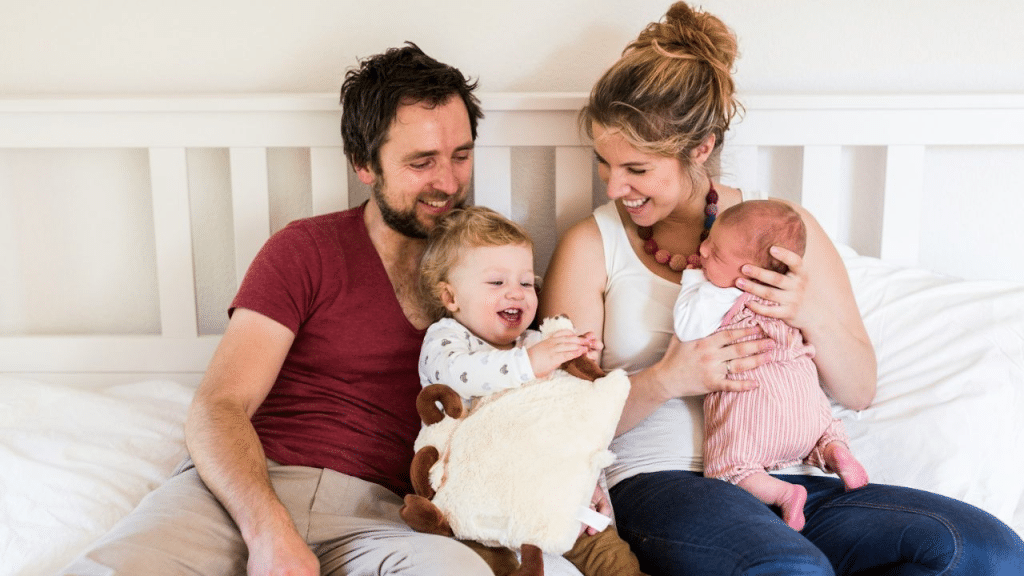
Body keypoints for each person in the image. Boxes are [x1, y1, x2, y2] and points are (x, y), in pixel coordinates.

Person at [539, 2, 1024, 575]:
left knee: (986, 552)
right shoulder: (591, 246)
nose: (616, 185)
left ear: (700, 148)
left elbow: (859, 387)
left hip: (798, 479)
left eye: (638, 169)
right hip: (663, 482)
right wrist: (667, 378)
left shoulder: (782, 230)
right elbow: (555, 421)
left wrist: (807, 310)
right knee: (790, 569)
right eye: (604, 162)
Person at [60, 43, 532, 576]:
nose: (447, 182)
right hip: (247, 492)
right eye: (421, 162)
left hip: (382, 519)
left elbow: (538, 395)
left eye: (461, 155)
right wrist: (268, 532)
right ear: (364, 165)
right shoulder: (306, 250)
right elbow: (219, 407)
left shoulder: (497, 275)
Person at [416, 205, 645, 576]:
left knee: (612, 559)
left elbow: (573, 420)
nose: (517, 294)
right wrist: (531, 363)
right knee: (483, 565)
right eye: (497, 283)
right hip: (482, 503)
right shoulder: (447, 340)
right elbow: (461, 376)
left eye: (526, 282)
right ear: (451, 297)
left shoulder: (534, 342)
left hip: (548, 491)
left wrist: (589, 483)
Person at [673, 199, 868, 532]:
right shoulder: (786, 300)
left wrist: (693, 278)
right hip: (805, 411)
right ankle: (836, 452)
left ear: (751, 274)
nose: (702, 249)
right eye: (708, 241)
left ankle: (785, 494)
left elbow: (687, 326)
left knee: (730, 468)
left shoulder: (720, 294)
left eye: (715, 254)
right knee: (827, 427)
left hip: (756, 411)